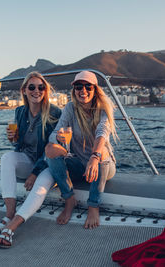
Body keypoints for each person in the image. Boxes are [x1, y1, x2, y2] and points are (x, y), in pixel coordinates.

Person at [0, 72, 61, 245]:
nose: (36, 91)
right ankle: (9, 213)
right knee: (7, 157)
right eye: (31, 87)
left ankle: (12, 226)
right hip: (28, 159)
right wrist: (13, 138)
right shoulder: (20, 111)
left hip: (48, 163)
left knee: (42, 181)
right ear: (24, 90)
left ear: (45, 91)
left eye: (41, 87)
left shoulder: (54, 113)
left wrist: (34, 173)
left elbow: (51, 148)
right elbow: (19, 143)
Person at [46, 70, 117, 229]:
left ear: (95, 90)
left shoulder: (104, 108)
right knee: (50, 151)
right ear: (74, 90)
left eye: (87, 87)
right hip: (80, 165)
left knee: (102, 152)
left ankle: (93, 205)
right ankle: (69, 199)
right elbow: (55, 133)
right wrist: (58, 139)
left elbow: (102, 133)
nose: (83, 90)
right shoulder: (70, 108)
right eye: (78, 87)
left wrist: (95, 156)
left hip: (103, 164)